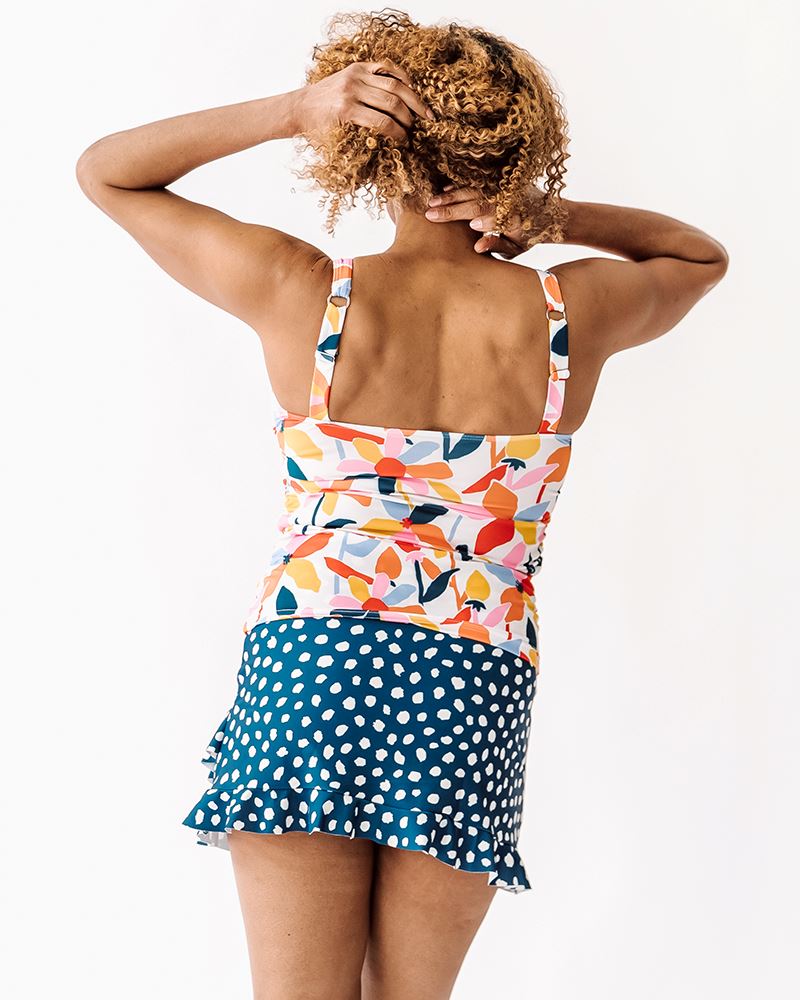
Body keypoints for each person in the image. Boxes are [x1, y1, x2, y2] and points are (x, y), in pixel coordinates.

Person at [76, 10, 728, 999]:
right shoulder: (567, 318)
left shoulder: (302, 292)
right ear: (516, 158)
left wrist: (293, 111)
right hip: (468, 688)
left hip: (315, 671)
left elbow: (106, 171)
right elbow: (695, 260)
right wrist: (550, 220)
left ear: (373, 155)